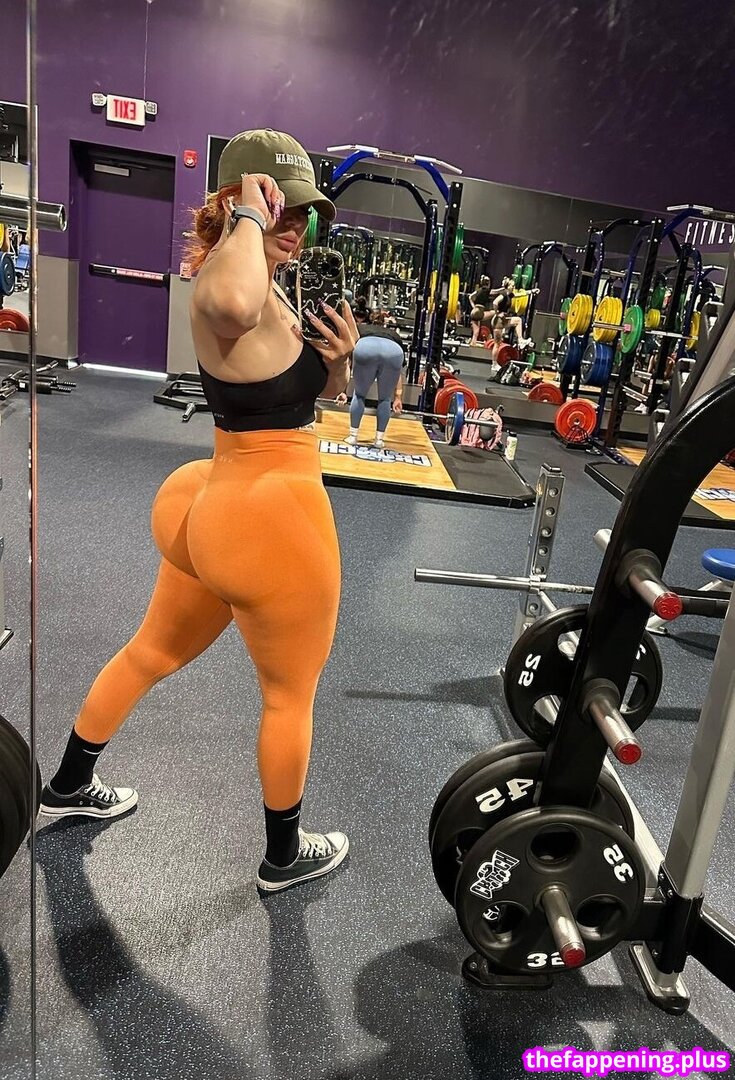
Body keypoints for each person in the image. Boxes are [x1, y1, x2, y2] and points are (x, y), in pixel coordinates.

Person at [39, 129, 358, 895]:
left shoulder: (269, 280)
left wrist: (338, 364)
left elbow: (298, 391)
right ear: (238, 202)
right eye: (279, 207)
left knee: (150, 651)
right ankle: (284, 855)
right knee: (289, 695)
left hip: (214, 503)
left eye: (300, 213)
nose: (292, 225)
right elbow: (225, 302)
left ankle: (69, 783)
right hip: (270, 518)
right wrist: (247, 213)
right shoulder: (229, 275)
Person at [335, 308, 405, 448]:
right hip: (394, 350)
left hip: (365, 347)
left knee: (359, 395)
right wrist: (398, 397)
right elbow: (398, 373)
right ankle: (379, 440)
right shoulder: (394, 335)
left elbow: (347, 363)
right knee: (385, 399)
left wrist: (342, 390)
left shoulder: (360, 329)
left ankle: (353, 437)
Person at [468, 275, 493, 345]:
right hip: (479, 312)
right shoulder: (487, 290)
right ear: (488, 283)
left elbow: (470, 297)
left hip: (474, 311)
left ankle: (472, 345)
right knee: (495, 313)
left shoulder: (478, 290)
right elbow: (496, 292)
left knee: (475, 333)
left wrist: (473, 306)